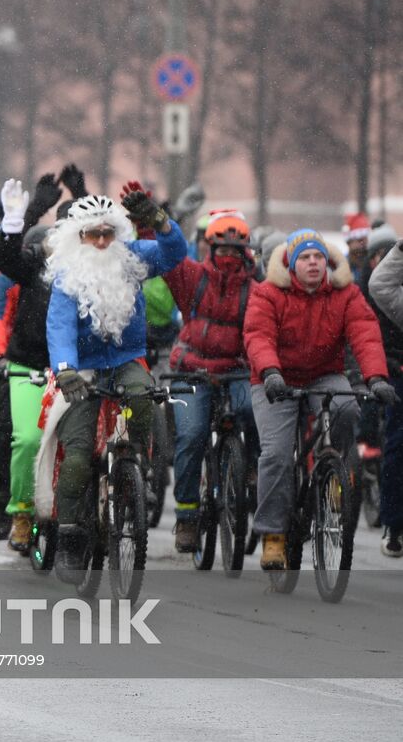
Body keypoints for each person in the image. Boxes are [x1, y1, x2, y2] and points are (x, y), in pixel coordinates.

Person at [45, 190, 187, 574]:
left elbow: (175, 254)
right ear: (79, 237)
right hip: (82, 369)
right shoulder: (66, 276)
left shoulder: (132, 257)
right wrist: (65, 368)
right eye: (94, 235)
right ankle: (71, 537)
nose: (103, 241)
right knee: (76, 455)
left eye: (109, 232)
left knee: (143, 396)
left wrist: (161, 223)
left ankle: (134, 468)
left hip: (126, 359)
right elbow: (59, 326)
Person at [243, 229, 393, 569]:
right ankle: (273, 536)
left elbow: (365, 335)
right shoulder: (267, 293)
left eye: (319, 258)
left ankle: (332, 476)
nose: (313, 263)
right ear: (292, 264)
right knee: (278, 455)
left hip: (324, 374)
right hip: (274, 377)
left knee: (346, 408)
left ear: (327, 263)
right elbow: (258, 336)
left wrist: (377, 378)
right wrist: (270, 372)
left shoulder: (346, 293)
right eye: (306, 258)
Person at [161, 210, 260, 553]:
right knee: (191, 435)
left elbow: (261, 336)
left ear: (246, 252)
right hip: (191, 369)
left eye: (236, 250)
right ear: (209, 247)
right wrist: (152, 224)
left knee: (256, 410)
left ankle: (252, 471)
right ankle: (187, 515)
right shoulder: (194, 277)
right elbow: (168, 256)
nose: (228, 257)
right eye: (222, 249)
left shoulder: (255, 291)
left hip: (235, 369)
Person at [0, 173, 65, 552]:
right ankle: (20, 511)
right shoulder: (37, 268)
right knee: (28, 439)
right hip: (27, 368)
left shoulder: (89, 275)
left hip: (72, 371)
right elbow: (4, 259)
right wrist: (16, 221)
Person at [362, 233, 403, 556]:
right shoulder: (375, 290)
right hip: (394, 370)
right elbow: (381, 286)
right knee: (398, 442)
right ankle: (394, 522)